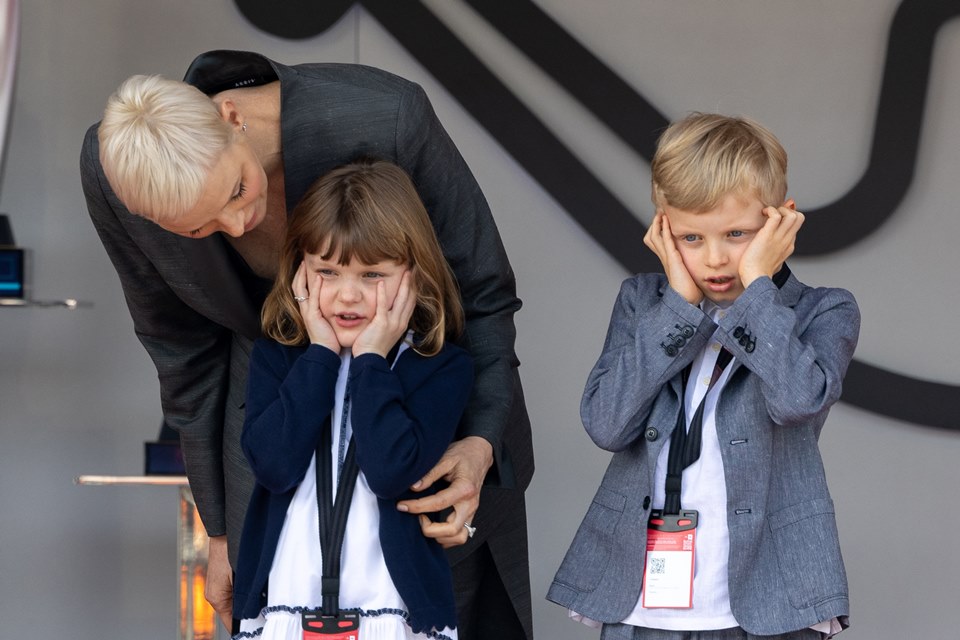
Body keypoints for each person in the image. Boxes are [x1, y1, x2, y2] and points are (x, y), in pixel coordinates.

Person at [80, 50, 533, 639]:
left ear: (231, 116)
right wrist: (217, 531)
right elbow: (181, 353)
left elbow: (484, 296)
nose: (238, 225)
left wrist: (479, 444)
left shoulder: (386, 115)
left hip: (422, 433)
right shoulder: (113, 174)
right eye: (199, 229)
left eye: (237, 189)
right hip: (273, 444)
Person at [547, 113, 859, 640]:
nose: (715, 258)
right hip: (641, 599)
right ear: (662, 227)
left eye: (737, 234)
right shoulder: (644, 304)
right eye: (691, 237)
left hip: (768, 597)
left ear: (781, 222)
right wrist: (678, 309)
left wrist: (758, 288)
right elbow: (606, 424)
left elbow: (797, 401)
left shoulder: (822, 311)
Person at [233, 159, 471, 640]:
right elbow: (275, 465)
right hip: (287, 607)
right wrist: (320, 351)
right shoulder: (278, 358)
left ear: (414, 275)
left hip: (391, 609)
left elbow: (390, 472)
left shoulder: (439, 366)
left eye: (372, 276)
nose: (347, 297)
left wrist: (370, 360)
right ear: (301, 272)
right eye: (328, 271)